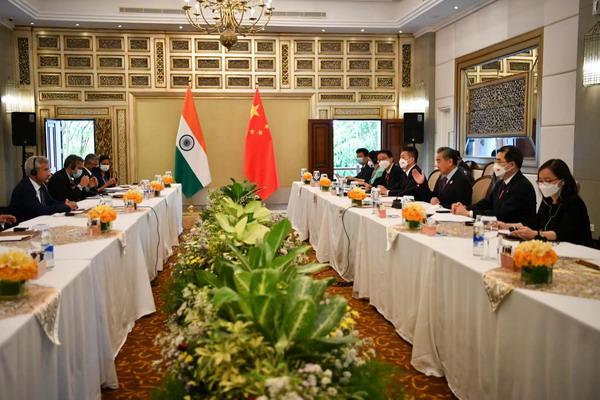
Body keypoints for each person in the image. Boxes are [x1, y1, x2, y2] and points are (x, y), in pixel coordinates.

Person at [499, 159, 592, 246]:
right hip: (552, 246)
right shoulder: (547, 200)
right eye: (540, 181)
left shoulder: (574, 202)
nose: (543, 184)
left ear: (562, 181)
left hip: (576, 249)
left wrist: (535, 234)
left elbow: (564, 233)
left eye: (548, 180)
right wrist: (508, 226)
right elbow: (535, 222)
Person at [453, 145, 536, 225]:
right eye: (495, 160)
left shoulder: (522, 186)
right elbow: (486, 203)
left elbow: (502, 214)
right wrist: (465, 208)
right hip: (499, 227)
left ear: (511, 165)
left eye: (499, 161)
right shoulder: (500, 183)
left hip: (515, 233)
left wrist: (469, 213)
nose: (495, 164)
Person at [9, 156, 77, 223]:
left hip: (36, 224)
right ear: (33, 172)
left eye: (49, 169)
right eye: (45, 170)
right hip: (21, 229)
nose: (49, 173)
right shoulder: (24, 188)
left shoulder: (41, 185)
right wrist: (66, 207)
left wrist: (66, 203)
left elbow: (51, 202)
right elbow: (40, 211)